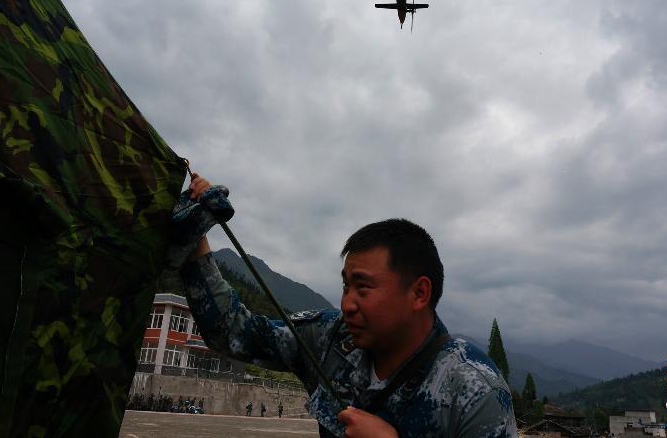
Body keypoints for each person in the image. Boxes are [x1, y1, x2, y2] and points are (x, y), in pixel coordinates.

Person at [177, 174, 516, 437]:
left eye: (363, 288)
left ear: (419, 294)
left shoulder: (474, 391)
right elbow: (235, 333)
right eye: (345, 286)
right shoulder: (329, 338)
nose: (347, 303)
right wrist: (195, 231)